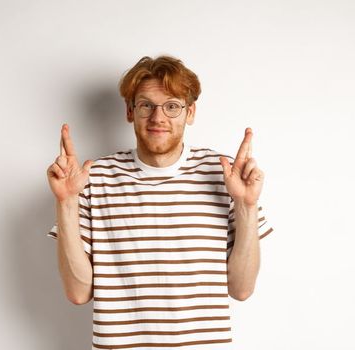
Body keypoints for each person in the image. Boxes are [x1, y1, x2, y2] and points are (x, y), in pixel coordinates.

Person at [45, 55, 274, 349]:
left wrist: (246, 205)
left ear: (190, 112)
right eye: (146, 105)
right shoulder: (92, 178)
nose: (158, 118)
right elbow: (78, 293)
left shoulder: (225, 174)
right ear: (130, 111)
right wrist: (65, 201)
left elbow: (241, 289)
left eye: (172, 106)